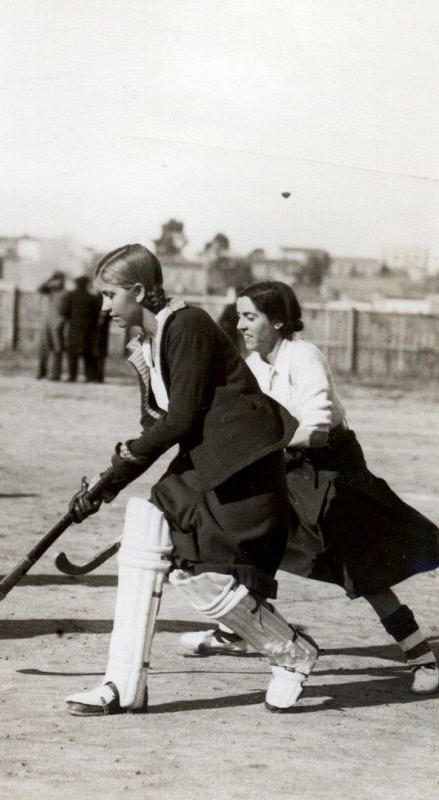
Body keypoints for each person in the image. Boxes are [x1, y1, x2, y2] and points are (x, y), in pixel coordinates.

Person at [64, 244, 315, 715]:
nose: (104, 307)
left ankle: (293, 652)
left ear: (138, 291)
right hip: (207, 461)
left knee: (196, 574)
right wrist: (105, 485)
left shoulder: (188, 325)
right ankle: (123, 684)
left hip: (243, 464)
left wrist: (117, 474)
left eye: (109, 295)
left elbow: (179, 420)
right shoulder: (146, 343)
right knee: (148, 532)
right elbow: (156, 424)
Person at [179, 281, 439, 694]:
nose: (241, 324)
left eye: (251, 317)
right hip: (286, 466)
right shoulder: (254, 364)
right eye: (240, 316)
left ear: (279, 320)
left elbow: (316, 428)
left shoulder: (303, 355)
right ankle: (237, 632)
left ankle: (420, 656)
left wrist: (265, 451)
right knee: (252, 538)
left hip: (333, 470)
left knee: (358, 564)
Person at [63, 275, 103, 383]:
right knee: (88, 352)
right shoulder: (92, 298)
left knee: (72, 353)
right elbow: (96, 314)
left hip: (74, 328)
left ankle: (72, 376)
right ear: (86, 285)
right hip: (88, 329)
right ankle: (89, 376)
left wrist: (72, 319)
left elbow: (65, 312)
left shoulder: (70, 296)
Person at [35, 271, 67, 380]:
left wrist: (62, 321)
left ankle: (55, 374)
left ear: (63, 281)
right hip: (46, 322)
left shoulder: (66, 293)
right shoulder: (50, 291)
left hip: (58, 322)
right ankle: (41, 372)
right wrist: (49, 279)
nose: (57, 282)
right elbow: (39, 289)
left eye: (59, 279)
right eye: (56, 279)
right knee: (43, 348)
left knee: (57, 348)